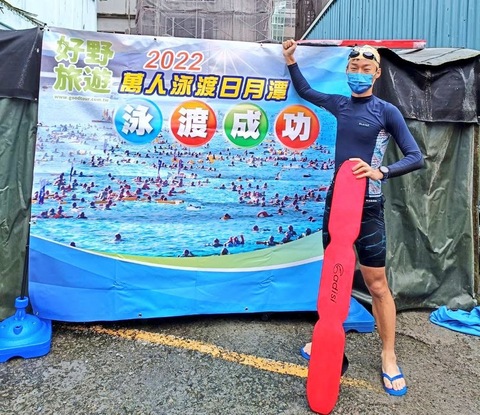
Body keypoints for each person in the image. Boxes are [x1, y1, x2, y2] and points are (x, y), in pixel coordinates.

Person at [283, 41, 424, 396]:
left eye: (366, 69)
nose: (359, 74)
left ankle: (389, 355)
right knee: (335, 271)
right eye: (354, 68)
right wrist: (291, 61)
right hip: (337, 203)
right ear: (347, 71)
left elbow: (415, 156)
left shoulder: (386, 111)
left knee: (376, 284)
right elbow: (306, 91)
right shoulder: (339, 104)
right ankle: (328, 335)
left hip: (369, 206)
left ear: (377, 73)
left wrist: (381, 171)